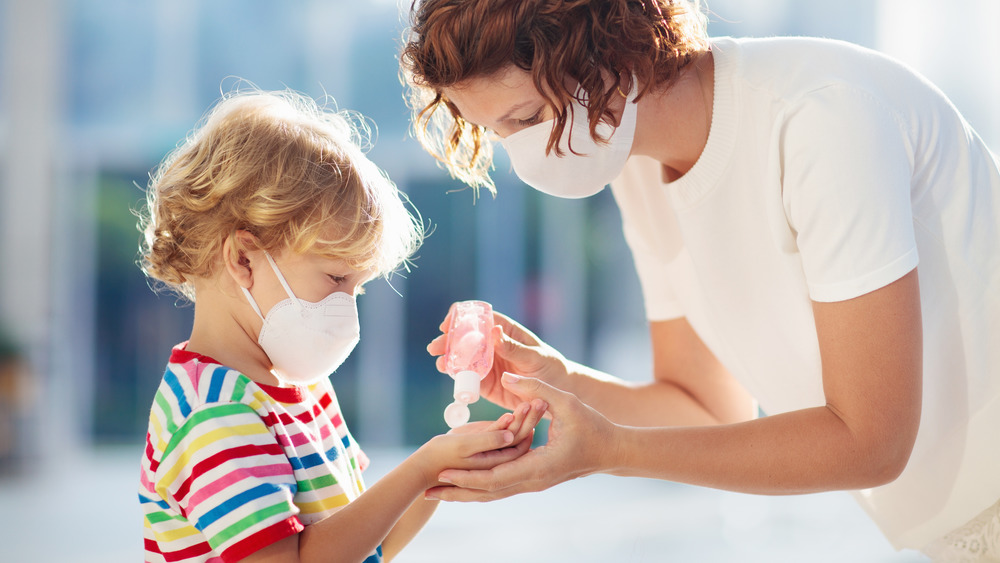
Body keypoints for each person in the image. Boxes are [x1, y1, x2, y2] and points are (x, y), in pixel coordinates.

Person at [400, 0, 1000, 560]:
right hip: (944, 533)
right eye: (499, 134)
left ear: (603, 50)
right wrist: (562, 382)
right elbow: (707, 411)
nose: (523, 156)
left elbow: (872, 442)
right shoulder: (636, 166)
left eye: (527, 118)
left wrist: (611, 452)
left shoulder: (819, 116)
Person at [135, 89, 548, 563]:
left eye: (359, 286)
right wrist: (420, 469)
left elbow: (367, 545)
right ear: (243, 258)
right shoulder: (213, 414)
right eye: (336, 278)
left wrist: (443, 468)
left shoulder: (304, 387)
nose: (347, 308)